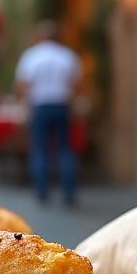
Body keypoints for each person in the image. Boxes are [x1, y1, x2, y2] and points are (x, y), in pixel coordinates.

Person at [15, 21, 82, 205]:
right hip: (61, 104)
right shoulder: (67, 56)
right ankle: (68, 191)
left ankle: (42, 191)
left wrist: (26, 105)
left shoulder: (32, 56)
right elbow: (74, 84)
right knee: (65, 149)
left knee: (40, 148)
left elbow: (23, 84)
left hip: (41, 105)